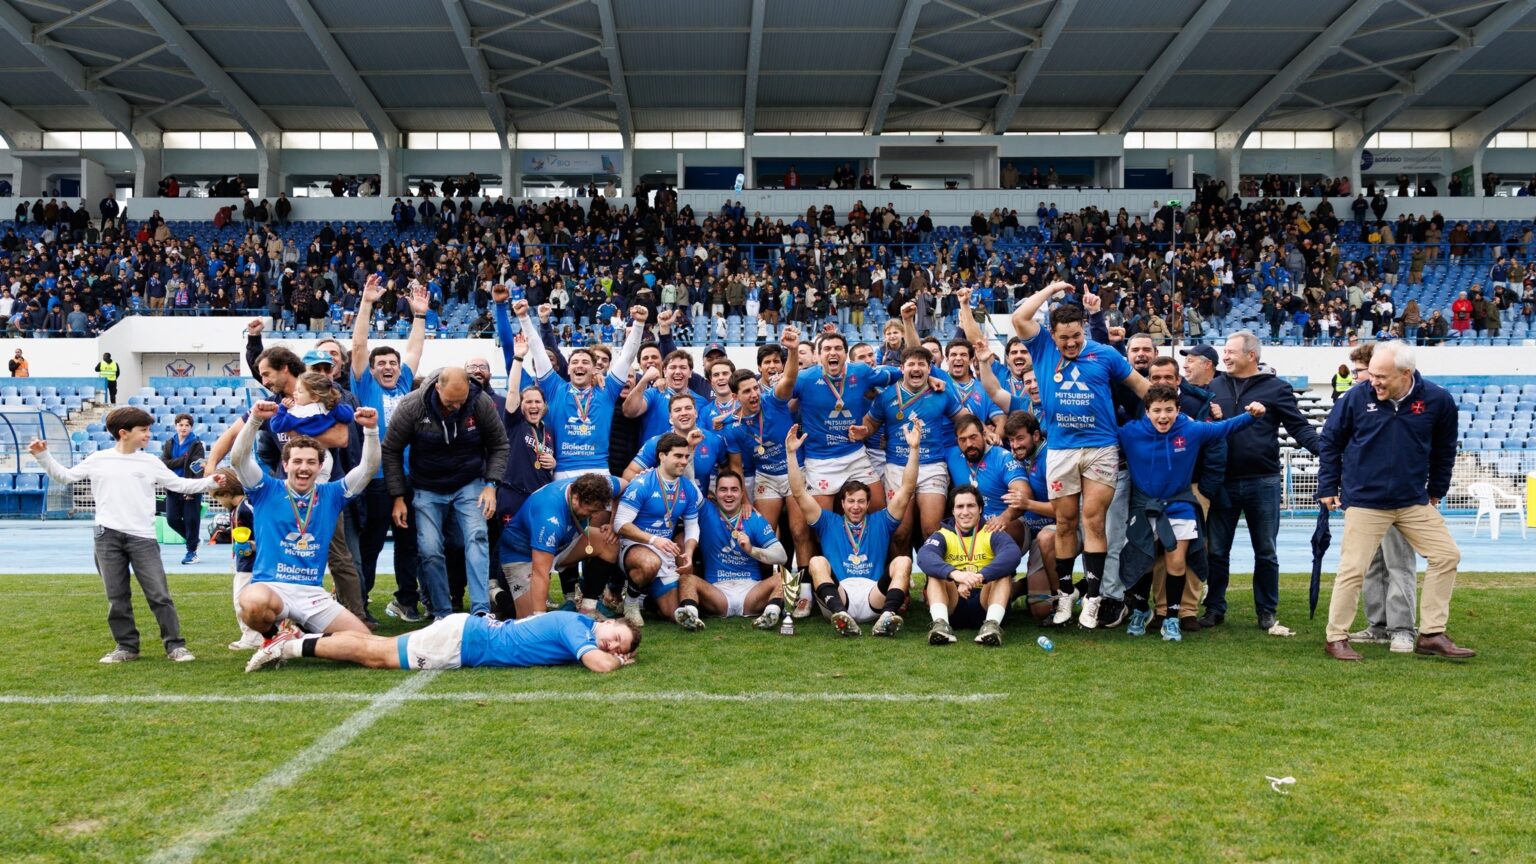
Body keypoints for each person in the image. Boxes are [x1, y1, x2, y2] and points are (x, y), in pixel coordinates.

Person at [1317, 341, 1473, 661]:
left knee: (1447, 555)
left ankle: (1431, 634)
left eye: (1382, 376)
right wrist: (1327, 485)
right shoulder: (1356, 398)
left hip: (1412, 500)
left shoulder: (1438, 400)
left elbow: (1444, 450)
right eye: (1372, 374)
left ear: (1406, 373)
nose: (1373, 381)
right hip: (1365, 501)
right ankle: (1336, 638)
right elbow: (1331, 441)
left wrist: (1437, 490)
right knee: (1353, 568)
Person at [30, 407, 225, 663]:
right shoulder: (98, 459)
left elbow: (179, 484)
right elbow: (65, 476)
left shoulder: (150, 461)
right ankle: (126, 647)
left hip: (142, 538)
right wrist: (43, 456)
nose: (148, 435)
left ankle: (175, 646)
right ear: (123, 433)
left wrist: (210, 483)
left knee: (159, 595)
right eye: (143, 430)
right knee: (117, 597)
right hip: (106, 537)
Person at [1011, 282, 1149, 627]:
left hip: (1101, 447)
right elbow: (1020, 316)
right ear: (1052, 335)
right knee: (1065, 522)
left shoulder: (1105, 354)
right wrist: (1054, 287)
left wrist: (1180, 410)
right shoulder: (1041, 347)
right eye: (1063, 338)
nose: (1070, 343)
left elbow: (1141, 387)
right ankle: (1063, 596)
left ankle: (1093, 596)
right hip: (1061, 449)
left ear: (1083, 329)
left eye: (1075, 335)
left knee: (1093, 521)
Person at [230, 402, 380, 661]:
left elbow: (367, 469)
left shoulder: (332, 494)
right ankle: (273, 635)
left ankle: (296, 641)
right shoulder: (265, 489)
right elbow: (238, 459)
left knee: (368, 644)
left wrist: (371, 430)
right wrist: (254, 420)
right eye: (297, 461)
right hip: (272, 587)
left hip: (312, 594)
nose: (304, 467)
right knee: (251, 603)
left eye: (311, 462)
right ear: (285, 465)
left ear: (321, 466)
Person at [1116, 385, 1265, 642]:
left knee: (1176, 561)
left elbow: (1225, 428)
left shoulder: (1191, 429)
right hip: (1144, 506)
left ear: (1178, 410)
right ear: (1147, 412)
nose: (1163, 416)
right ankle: (1141, 610)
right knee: (1144, 559)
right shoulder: (1130, 432)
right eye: (1157, 411)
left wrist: (1252, 415)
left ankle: (1172, 617)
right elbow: (1098, 434)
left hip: (1179, 504)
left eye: (1169, 410)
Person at [1200, 331, 1319, 634]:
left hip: (1263, 481)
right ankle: (1214, 607)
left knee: (1265, 550)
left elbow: (1299, 428)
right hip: (1222, 481)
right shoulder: (1211, 387)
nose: (1224, 357)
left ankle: (1267, 611)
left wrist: (1327, 453)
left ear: (1251, 355)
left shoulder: (1277, 389)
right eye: (1223, 351)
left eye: (1230, 352)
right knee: (1216, 551)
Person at [381, 368, 510, 620]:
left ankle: (481, 610)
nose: (456, 406)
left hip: (469, 481)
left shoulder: (479, 401)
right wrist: (397, 497)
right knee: (429, 549)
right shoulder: (412, 406)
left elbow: (499, 444)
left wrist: (491, 485)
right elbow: (391, 449)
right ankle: (442, 612)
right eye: (450, 401)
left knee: (477, 536)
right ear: (438, 388)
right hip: (427, 486)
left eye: (461, 401)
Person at [785, 417, 924, 638]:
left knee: (904, 561)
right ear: (842, 503)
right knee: (816, 561)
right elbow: (799, 493)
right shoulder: (828, 522)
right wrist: (791, 454)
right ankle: (841, 616)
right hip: (838, 597)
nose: (856, 507)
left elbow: (907, 489)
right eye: (851, 501)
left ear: (868, 504)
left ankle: (887, 617)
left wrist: (914, 449)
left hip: (873, 595)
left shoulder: (882, 521)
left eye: (861, 502)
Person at [351, 276, 427, 622]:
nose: (387, 367)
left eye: (392, 363)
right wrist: (367, 303)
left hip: (410, 478)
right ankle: (359, 604)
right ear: (371, 369)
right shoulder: (365, 384)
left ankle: (406, 601)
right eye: (380, 363)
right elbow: (359, 345)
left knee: (409, 545)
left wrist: (420, 316)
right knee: (370, 546)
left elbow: (414, 349)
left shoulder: (405, 384)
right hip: (377, 480)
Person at [245, 610, 639, 673]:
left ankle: (301, 637)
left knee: (380, 645)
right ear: (607, 622)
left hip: (465, 633)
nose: (613, 647)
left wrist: (618, 655)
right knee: (375, 655)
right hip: (463, 642)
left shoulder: (577, 625)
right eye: (617, 637)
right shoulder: (580, 629)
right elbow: (600, 665)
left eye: (621, 648)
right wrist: (617, 663)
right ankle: (287, 646)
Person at [1341, 344, 1420, 654]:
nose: (1365, 378)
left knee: (1398, 562)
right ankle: (1378, 625)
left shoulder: (1405, 405)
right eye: (1364, 372)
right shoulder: (1356, 401)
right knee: (1370, 564)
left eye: (1366, 371)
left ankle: (1402, 628)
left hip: (1398, 497)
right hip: (1363, 496)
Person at [674, 469, 788, 630]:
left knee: (783, 578)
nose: (729, 494)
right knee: (687, 579)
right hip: (718, 592)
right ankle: (691, 615)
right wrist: (690, 450)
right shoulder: (706, 511)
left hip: (751, 591)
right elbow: (689, 482)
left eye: (734, 490)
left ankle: (771, 613)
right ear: (715, 493)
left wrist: (751, 550)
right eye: (723, 489)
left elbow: (781, 556)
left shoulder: (754, 518)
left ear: (742, 493)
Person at [498, 474, 622, 619]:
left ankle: (588, 609)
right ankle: (496, 594)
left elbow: (625, 484)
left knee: (609, 542)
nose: (594, 516)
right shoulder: (550, 517)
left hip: (562, 544)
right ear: (575, 499)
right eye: (591, 511)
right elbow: (540, 572)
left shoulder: (597, 487)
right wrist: (540, 618)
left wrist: (613, 522)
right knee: (528, 623)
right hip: (523, 554)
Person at [613, 432, 703, 627]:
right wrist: (654, 540)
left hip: (665, 549)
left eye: (686, 456)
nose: (683, 461)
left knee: (672, 613)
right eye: (678, 456)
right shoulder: (642, 483)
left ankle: (645, 599)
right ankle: (630, 603)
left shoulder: (687, 488)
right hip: (635, 545)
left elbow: (692, 525)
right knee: (649, 563)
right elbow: (620, 524)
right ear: (662, 456)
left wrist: (688, 552)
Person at [916, 485, 1023, 647]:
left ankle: (992, 626)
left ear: (980, 508)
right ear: (952, 511)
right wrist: (956, 575)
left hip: (985, 601)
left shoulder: (992, 531)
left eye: (971, 506)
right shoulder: (943, 534)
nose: (965, 512)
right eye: (960, 506)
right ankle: (941, 625)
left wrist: (981, 576)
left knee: (1004, 574)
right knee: (935, 574)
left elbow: (1012, 554)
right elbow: (924, 557)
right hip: (954, 602)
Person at [208, 473, 263, 650]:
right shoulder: (238, 509)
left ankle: (252, 636)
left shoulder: (247, 508)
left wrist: (252, 545)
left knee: (241, 600)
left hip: (252, 564)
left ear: (226, 493)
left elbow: (266, 533)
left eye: (217, 498)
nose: (218, 502)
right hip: (246, 562)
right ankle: (256, 635)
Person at [160, 413, 207, 565]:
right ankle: (194, 539)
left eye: (187, 425)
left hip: (190, 487)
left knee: (191, 520)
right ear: (176, 426)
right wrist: (183, 460)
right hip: (173, 486)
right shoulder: (169, 443)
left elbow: (197, 467)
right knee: (172, 519)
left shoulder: (196, 445)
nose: (183, 428)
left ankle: (191, 551)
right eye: (181, 425)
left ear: (191, 427)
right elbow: (164, 463)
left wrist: (191, 490)